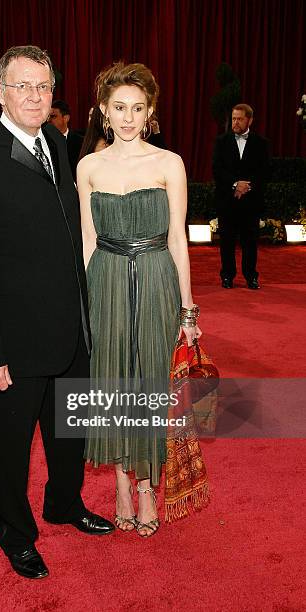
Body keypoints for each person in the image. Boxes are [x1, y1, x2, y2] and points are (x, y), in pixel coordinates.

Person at [0, 45, 113, 581]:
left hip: (69, 332)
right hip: (14, 344)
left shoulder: (58, 144)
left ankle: (64, 505)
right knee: (11, 451)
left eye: (42, 87)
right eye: (21, 86)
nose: (34, 96)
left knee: (70, 436)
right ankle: (14, 536)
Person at [78, 62, 209, 538]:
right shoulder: (88, 166)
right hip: (106, 278)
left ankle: (149, 486)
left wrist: (188, 309)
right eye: (119, 108)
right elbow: (88, 241)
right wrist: (85, 305)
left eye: (137, 108)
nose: (127, 117)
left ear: (150, 111)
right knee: (112, 379)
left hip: (156, 275)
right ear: (103, 111)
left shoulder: (167, 162)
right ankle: (119, 484)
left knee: (151, 379)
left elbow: (178, 239)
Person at [213, 103, 270, 289]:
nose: (235, 122)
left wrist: (247, 186)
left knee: (250, 241)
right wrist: (236, 184)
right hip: (227, 200)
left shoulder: (261, 143)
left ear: (250, 120)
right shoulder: (221, 141)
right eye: (234, 118)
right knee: (227, 241)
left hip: (251, 202)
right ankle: (227, 276)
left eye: (240, 119)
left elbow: (264, 171)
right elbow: (217, 169)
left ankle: (251, 276)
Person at [48, 99, 83, 179]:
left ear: (66, 118)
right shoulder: (42, 141)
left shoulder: (80, 142)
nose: (49, 120)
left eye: (53, 116)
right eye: (48, 117)